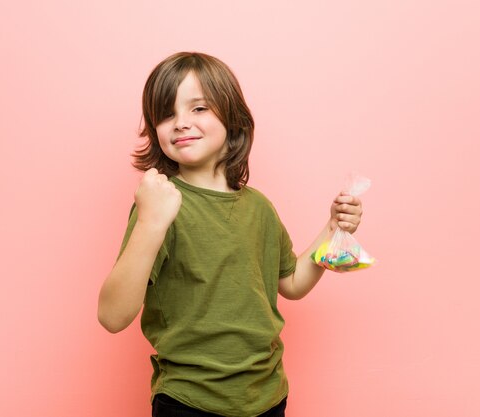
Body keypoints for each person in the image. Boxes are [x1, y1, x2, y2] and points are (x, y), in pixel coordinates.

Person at [97, 52, 363, 417]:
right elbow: (112, 316)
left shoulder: (259, 208)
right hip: (189, 401)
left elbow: (293, 284)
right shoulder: (160, 205)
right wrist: (151, 222)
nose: (180, 123)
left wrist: (332, 228)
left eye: (199, 108)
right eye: (166, 113)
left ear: (233, 119)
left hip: (267, 395)